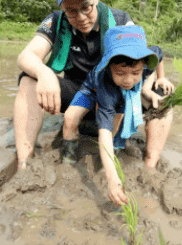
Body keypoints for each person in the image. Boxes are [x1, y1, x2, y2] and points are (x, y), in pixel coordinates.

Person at [14, 0, 135, 169]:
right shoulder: (56, 21)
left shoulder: (121, 21)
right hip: (76, 94)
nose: (80, 16)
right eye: (71, 10)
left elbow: (139, 59)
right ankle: (24, 162)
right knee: (28, 78)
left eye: (86, 7)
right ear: (62, 8)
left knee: (161, 93)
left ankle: (150, 164)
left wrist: (157, 79)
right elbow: (26, 56)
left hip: (111, 95)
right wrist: (45, 73)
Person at [63, 25, 174, 206]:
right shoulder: (106, 84)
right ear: (108, 67)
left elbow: (158, 53)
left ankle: (112, 155)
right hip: (91, 90)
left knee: (117, 123)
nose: (128, 80)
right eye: (120, 73)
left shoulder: (144, 62)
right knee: (70, 118)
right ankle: (67, 159)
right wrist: (112, 178)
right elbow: (104, 133)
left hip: (121, 94)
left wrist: (160, 77)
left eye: (136, 73)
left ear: (144, 64)